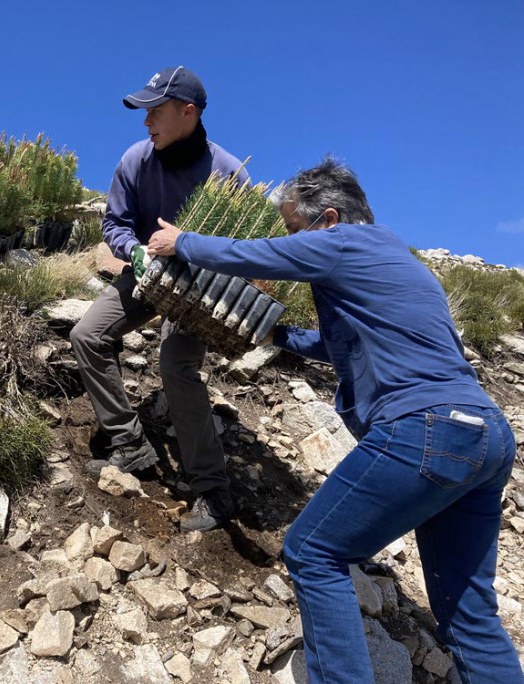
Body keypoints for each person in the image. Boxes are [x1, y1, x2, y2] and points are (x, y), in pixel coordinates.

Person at [147, 158, 523, 684]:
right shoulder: (397, 261)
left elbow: (256, 256)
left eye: (295, 230)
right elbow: (340, 344)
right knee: (469, 612)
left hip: (424, 428)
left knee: (313, 551)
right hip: (485, 435)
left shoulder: (344, 242)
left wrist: (181, 243)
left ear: (328, 218)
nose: (291, 241)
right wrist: (278, 337)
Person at [69, 66, 249, 532]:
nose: (146, 121)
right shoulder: (135, 160)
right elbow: (114, 224)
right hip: (147, 274)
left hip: (199, 289)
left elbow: (245, 248)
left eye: (155, 110)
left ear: (188, 112)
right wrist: (136, 253)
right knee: (87, 334)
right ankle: (131, 444)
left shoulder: (228, 174)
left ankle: (213, 490)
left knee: (176, 366)